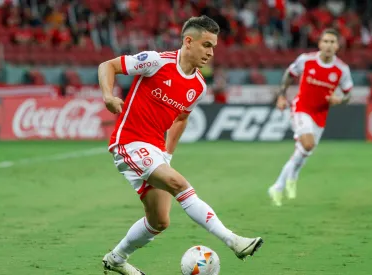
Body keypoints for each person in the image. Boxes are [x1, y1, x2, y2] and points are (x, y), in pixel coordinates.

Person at [98, 15, 263, 275]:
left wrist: (167, 154)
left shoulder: (198, 86)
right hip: (129, 142)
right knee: (180, 185)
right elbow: (107, 66)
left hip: (154, 150)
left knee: (159, 220)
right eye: (206, 45)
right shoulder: (156, 61)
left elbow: (181, 118)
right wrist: (108, 96)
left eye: (214, 47)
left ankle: (117, 259)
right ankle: (233, 241)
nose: (211, 52)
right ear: (188, 41)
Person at [268, 28, 354, 207]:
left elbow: (348, 95)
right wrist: (282, 96)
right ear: (320, 43)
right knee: (307, 144)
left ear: (338, 46)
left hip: (320, 114)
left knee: (304, 152)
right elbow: (289, 75)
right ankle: (277, 186)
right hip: (301, 108)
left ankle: (292, 177)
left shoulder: (341, 69)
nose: (329, 45)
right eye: (326, 41)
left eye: (332, 42)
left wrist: (339, 99)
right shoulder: (306, 60)